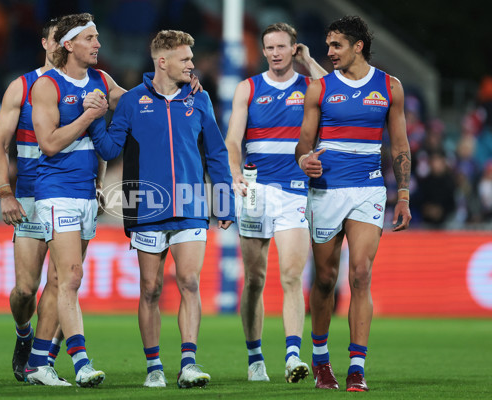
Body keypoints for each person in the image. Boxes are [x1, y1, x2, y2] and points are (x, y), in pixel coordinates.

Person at [89, 30, 235, 389]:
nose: (192, 64)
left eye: (191, 58)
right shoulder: (131, 101)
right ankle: (154, 366)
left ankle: (188, 363)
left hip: (191, 203)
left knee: (189, 281)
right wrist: (94, 118)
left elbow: (216, 153)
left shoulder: (199, 100)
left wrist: (225, 200)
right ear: (162, 62)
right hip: (145, 205)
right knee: (151, 289)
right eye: (185, 59)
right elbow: (109, 150)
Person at [295, 16, 412, 392]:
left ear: (357, 46)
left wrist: (405, 194)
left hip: (368, 189)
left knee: (360, 274)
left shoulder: (389, 87)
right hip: (326, 190)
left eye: (336, 46)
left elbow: (400, 146)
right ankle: (321, 362)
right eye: (328, 46)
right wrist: (304, 160)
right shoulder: (319, 89)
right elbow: (304, 143)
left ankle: (357, 368)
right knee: (326, 279)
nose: (329, 53)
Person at [224, 22, 327, 383]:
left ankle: (293, 356)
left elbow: (336, 92)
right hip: (255, 191)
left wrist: (310, 61)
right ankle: (255, 359)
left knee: (291, 276)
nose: (275, 53)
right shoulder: (247, 88)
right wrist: (235, 172)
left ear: (294, 48)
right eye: (269, 47)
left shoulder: (311, 87)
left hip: (294, 190)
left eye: (282, 47)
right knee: (254, 278)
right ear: (263, 51)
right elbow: (233, 140)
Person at [26, 13, 112, 387]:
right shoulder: (47, 85)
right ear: (69, 44)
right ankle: (81, 361)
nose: (97, 44)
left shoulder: (101, 79)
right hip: (56, 190)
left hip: (86, 193)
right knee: (71, 277)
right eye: (90, 38)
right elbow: (49, 143)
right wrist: (90, 114)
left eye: (97, 38)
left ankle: (38, 363)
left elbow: (139, 104)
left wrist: (179, 84)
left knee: (62, 279)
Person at [0, 18, 75, 384]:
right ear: (45, 43)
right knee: (25, 289)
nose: (63, 45)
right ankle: (23, 332)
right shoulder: (22, 86)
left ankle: (41, 359)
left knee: (60, 281)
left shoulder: (85, 85)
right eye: (58, 39)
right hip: (28, 196)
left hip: (69, 196)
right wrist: (5, 192)